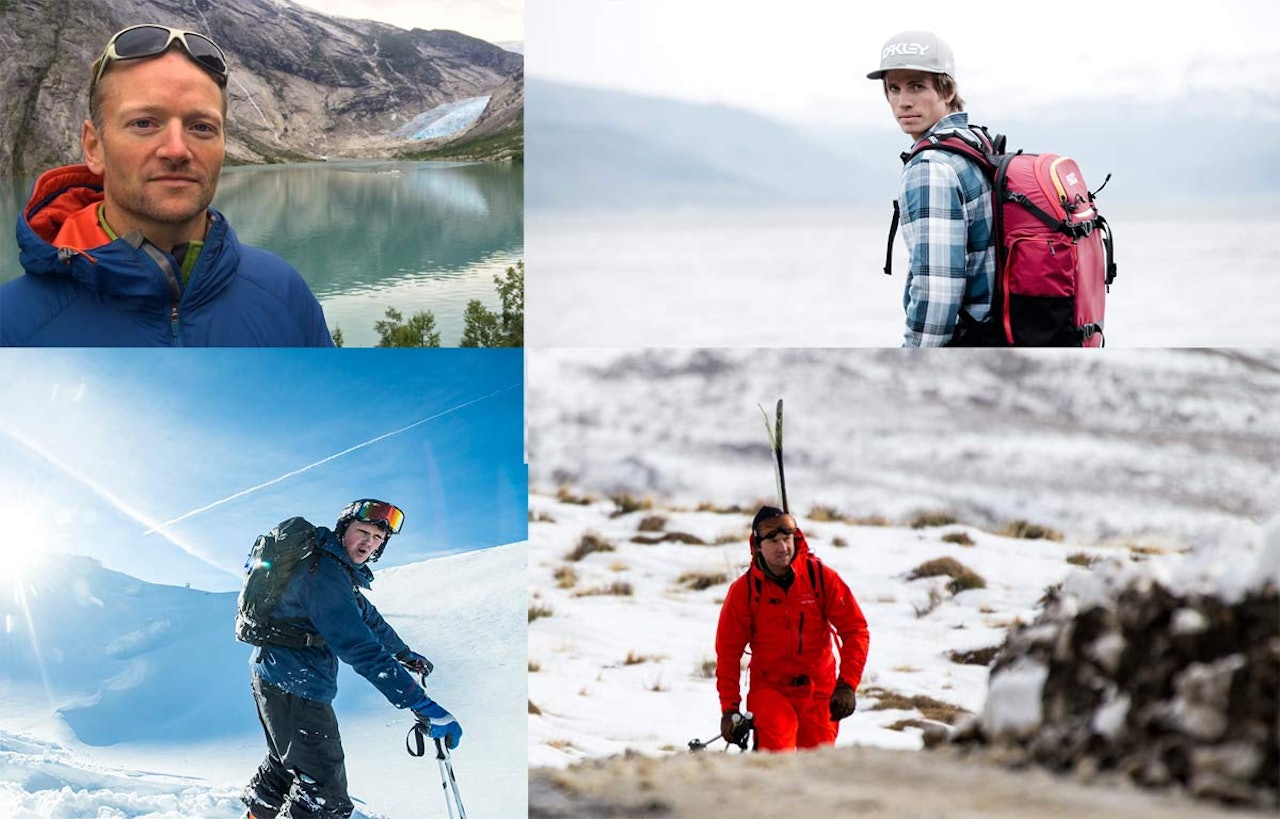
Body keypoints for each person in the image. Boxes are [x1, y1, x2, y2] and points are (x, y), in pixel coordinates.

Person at [2, 24, 333, 346]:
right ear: (94, 147)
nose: (176, 149)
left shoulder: (285, 294)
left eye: (201, 127)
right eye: (144, 123)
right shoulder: (12, 325)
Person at [241, 499, 460, 819]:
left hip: (280, 677)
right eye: (362, 532)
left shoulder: (333, 568)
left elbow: (369, 619)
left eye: (377, 538)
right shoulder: (324, 573)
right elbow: (358, 645)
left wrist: (403, 654)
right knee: (325, 798)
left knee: (285, 767)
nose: (368, 543)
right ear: (344, 529)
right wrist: (421, 703)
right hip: (294, 684)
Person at [868, 30, 996, 347]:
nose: (903, 101)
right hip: (996, 336)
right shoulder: (976, 143)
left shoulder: (931, 167)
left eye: (917, 86)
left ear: (947, 89)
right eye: (893, 88)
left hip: (965, 343)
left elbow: (936, 291)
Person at [715, 506, 870, 751]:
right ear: (757, 546)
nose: (782, 547)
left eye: (787, 539)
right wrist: (730, 710)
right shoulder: (744, 592)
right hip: (770, 689)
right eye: (773, 541)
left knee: (817, 764)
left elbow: (855, 630)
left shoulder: (820, 578)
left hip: (819, 690)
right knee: (779, 755)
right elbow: (728, 653)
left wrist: (847, 685)